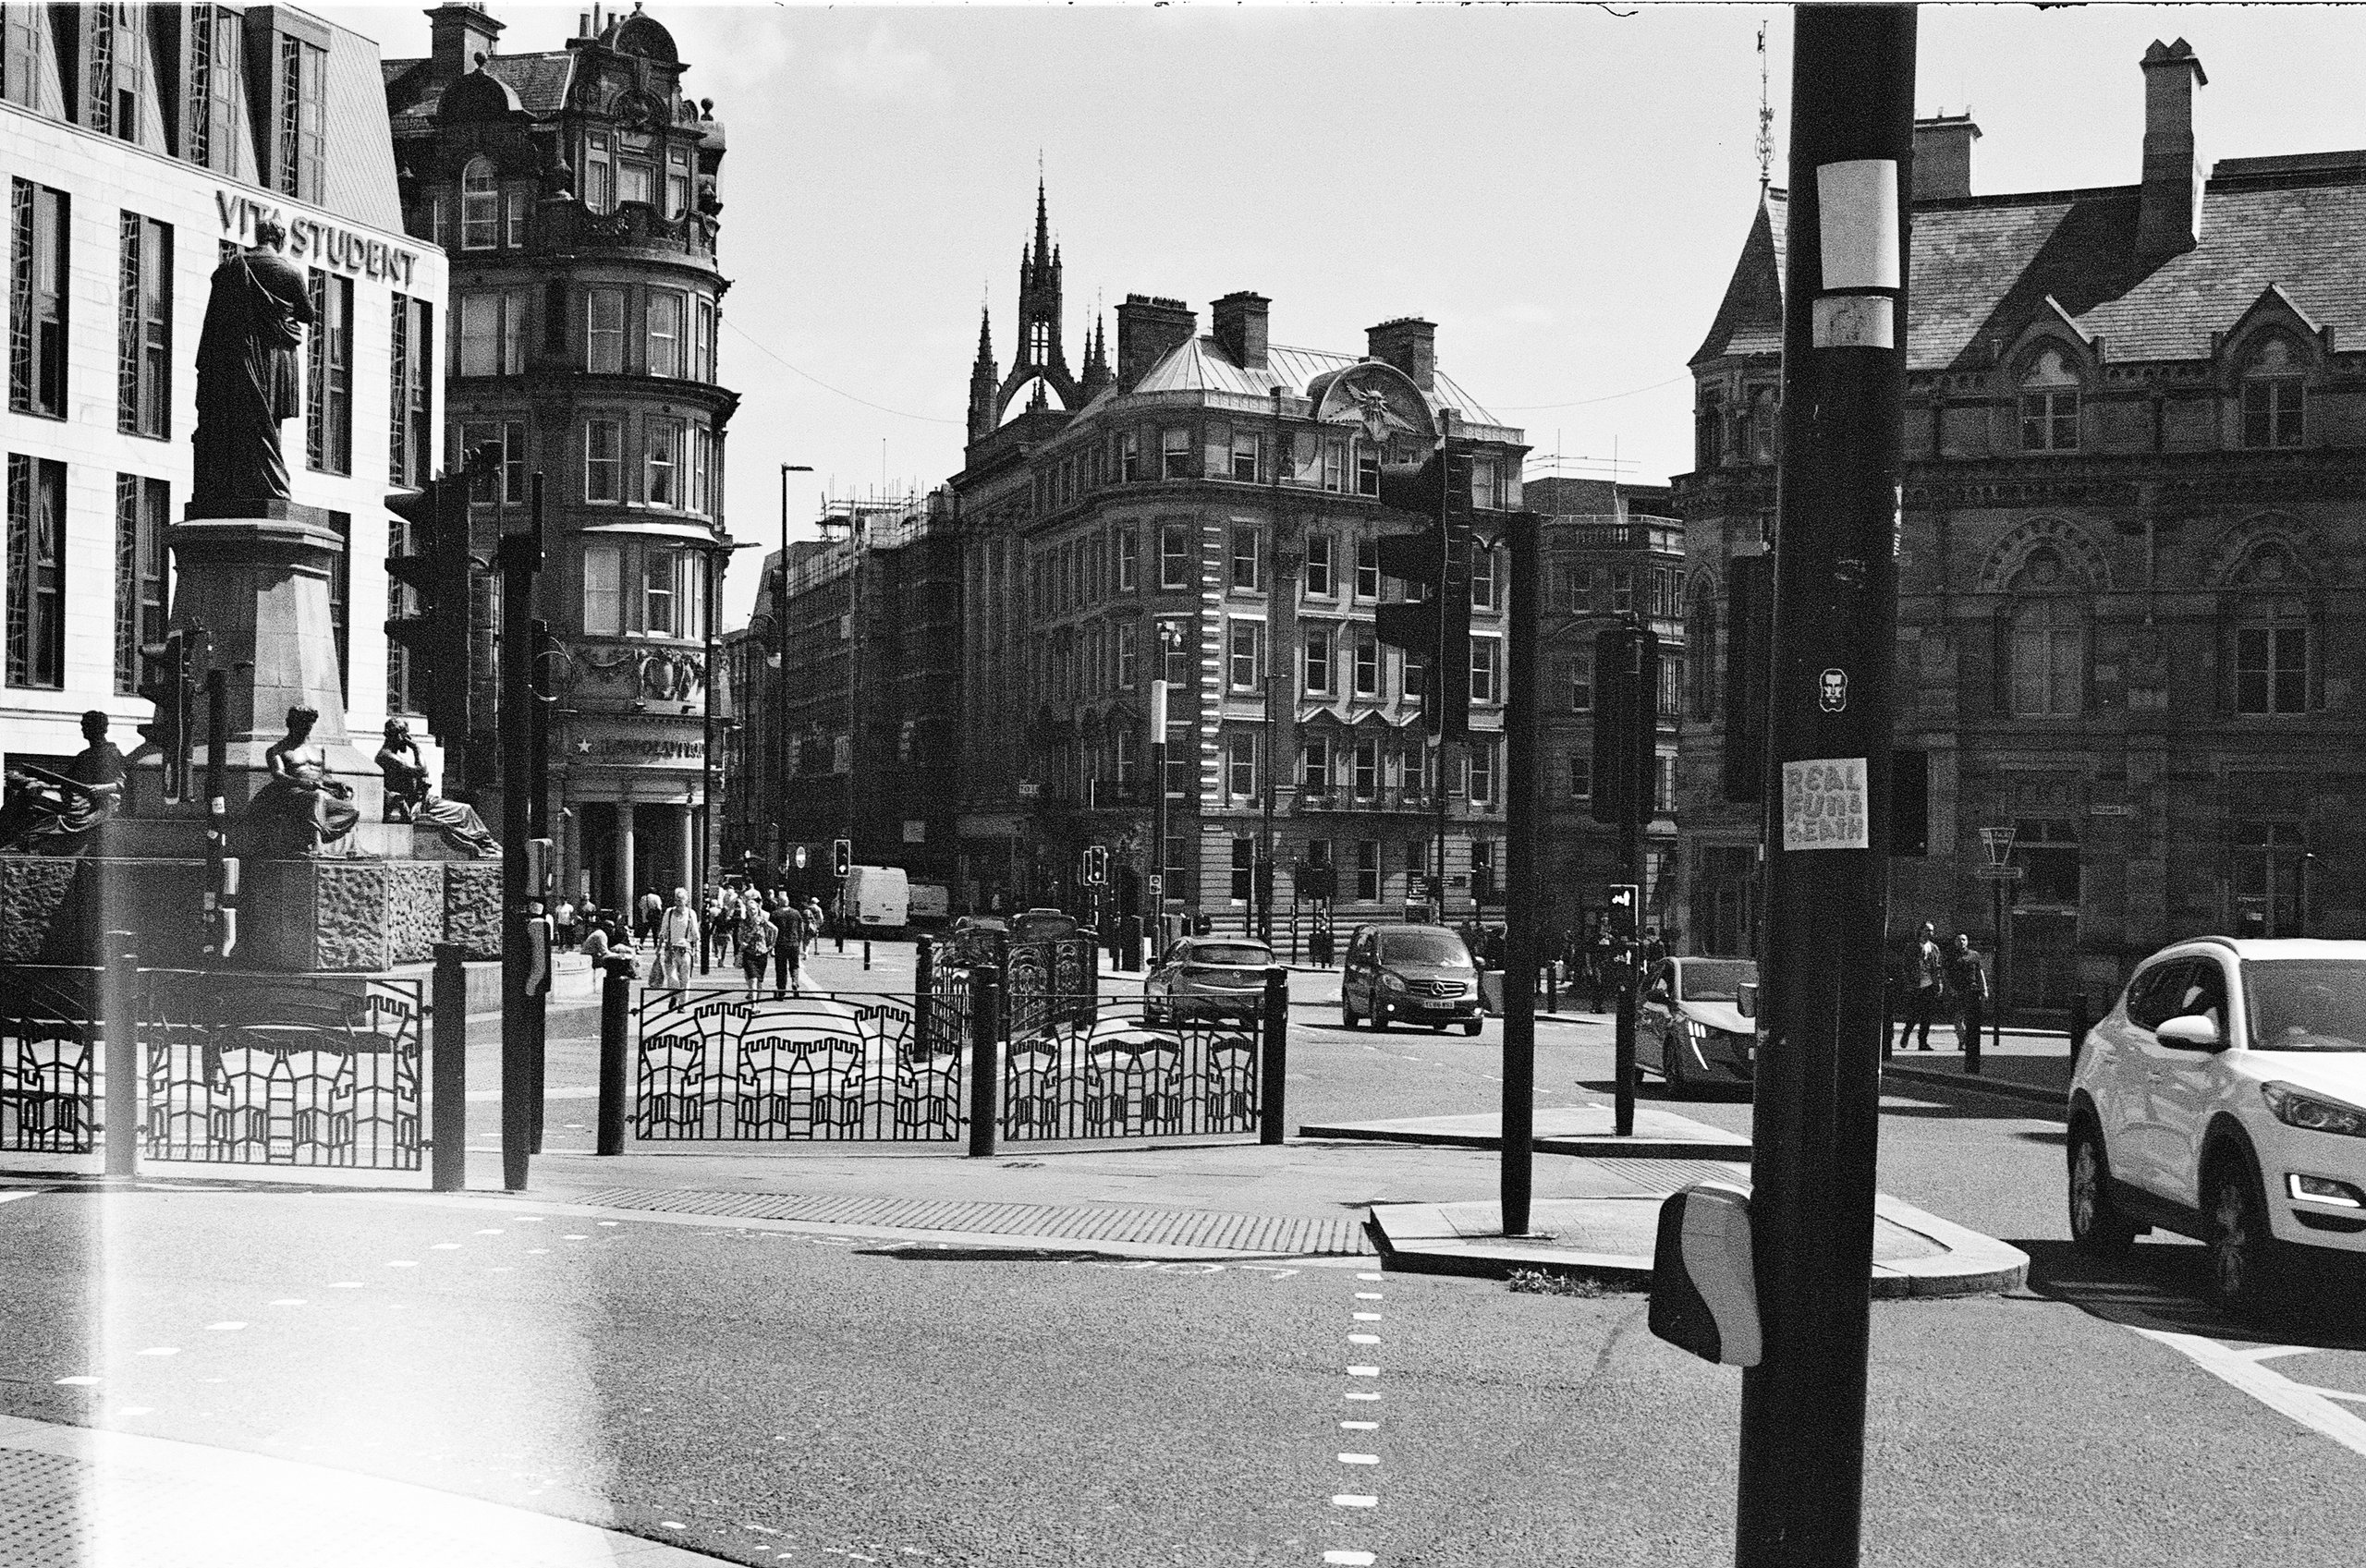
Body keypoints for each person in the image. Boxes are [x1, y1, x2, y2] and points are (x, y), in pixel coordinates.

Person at [0, 711, 128, 852]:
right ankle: (7, 839)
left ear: (100, 729)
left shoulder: (111, 752)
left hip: (90, 803)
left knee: (27, 797)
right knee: (22, 793)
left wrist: (102, 788)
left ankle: (9, 840)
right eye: (83, 726)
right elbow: (66, 780)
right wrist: (40, 781)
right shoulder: (84, 755)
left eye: (87, 726)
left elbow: (123, 783)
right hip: (71, 796)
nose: (83, 729)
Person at [373, 719, 499, 856]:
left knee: (465, 810)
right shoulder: (387, 756)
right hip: (416, 806)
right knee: (464, 810)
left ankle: (487, 844)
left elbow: (420, 773)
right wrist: (416, 748)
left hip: (422, 801)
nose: (409, 739)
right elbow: (421, 769)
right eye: (406, 735)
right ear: (399, 736)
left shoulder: (391, 756)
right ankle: (488, 844)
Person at [250, 706, 360, 855]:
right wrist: (301, 783)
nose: (307, 727)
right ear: (292, 724)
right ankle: (316, 843)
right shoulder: (277, 750)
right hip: (292, 793)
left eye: (310, 723)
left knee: (350, 810)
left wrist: (338, 784)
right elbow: (278, 774)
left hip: (317, 790)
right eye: (303, 723)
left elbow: (322, 775)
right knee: (317, 798)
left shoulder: (318, 749)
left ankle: (314, 834)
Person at [1946, 932, 1990, 1053]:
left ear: (1967, 941)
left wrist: (1984, 989)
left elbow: (1980, 972)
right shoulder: (1951, 956)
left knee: (1970, 1018)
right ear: (1955, 942)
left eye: (1964, 939)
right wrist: (1950, 988)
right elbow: (1946, 974)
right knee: (1957, 1018)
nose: (1961, 942)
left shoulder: (1974, 955)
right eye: (1959, 940)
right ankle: (1963, 1040)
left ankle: (1967, 1042)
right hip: (1958, 990)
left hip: (1972, 990)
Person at [1909, 920, 1945, 1051]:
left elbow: (1938, 967)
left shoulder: (1934, 948)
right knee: (1914, 1012)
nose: (1930, 933)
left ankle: (1922, 1042)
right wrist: (1908, 981)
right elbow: (1906, 965)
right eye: (1928, 930)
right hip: (1916, 984)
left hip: (1930, 984)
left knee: (1927, 1015)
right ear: (1921, 931)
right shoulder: (1912, 947)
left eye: (1932, 930)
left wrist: (1939, 983)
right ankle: (1907, 1032)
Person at [656, 886, 700, 991]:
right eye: (676, 899)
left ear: (686, 900)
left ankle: (682, 1004)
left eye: (681, 899)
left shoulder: (691, 913)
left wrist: (697, 951)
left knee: (685, 978)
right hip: (670, 949)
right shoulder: (669, 912)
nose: (678, 902)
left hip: (685, 950)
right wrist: (659, 947)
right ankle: (674, 997)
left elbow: (695, 934)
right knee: (672, 977)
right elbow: (663, 931)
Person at [739, 897, 776, 994]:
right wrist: (742, 942)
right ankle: (754, 1005)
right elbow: (739, 935)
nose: (752, 911)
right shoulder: (744, 922)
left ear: (757, 909)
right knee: (753, 979)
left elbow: (775, 929)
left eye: (753, 909)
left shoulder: (762, 921)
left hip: (762, 953)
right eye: (749, 909)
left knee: (759, 981)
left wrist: (772, 945)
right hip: (749, 952)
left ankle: (756, 1001)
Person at [774, 894, 810, 996]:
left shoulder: (776, 914)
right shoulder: (796, 913)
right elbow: (801, 929)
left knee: (781, 967)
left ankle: (781, 990)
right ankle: (795, 982)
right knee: (794, 965)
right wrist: (799, 940)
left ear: (779, 903)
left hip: (780, 943)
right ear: (788, 902)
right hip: (793, 943)